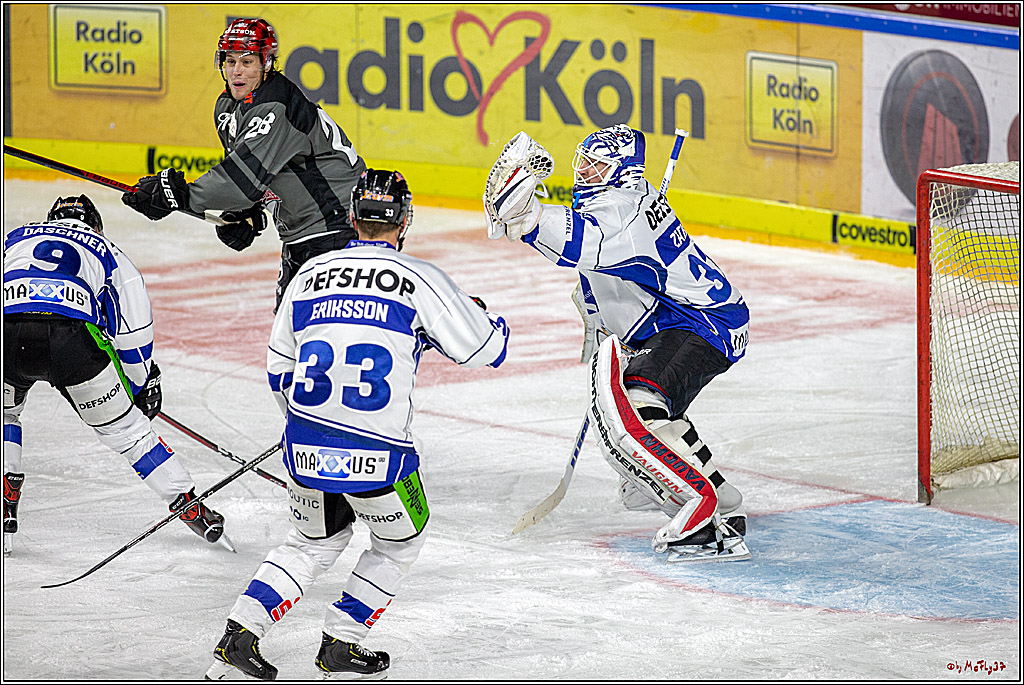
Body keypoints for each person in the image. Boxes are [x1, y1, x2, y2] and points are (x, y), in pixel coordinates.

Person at [206, 170, 510, 680]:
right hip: (378, 454)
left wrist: (307, 427)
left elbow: (279, 369)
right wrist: (481, 316)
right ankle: (341, 643)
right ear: (405, 220)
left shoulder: (309, 275)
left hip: (302, 443)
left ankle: (239, 635)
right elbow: (485, 350)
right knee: (401, 542)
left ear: (352, 217)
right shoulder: (418, 278)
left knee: (310, 544)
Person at [483, 124, 751, 562]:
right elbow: (602, 274)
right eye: (582, 163)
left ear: (623, 171)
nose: (585, 173)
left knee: (637, 405)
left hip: (704, 321)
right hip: (681, 317)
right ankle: (718, 494)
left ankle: (700, 514)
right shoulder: (620, 203)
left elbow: (579, 241)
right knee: (644, 403)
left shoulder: (622, 210)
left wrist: (527, 216)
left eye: (597, 165)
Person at [3, 195, 231, 555]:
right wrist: (139, 386)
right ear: (95, 226)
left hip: (7, 330)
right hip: (71, 340)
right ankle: (189, 505)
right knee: (126, 430)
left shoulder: (15, 238)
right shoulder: (107, 249)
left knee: (5, 413)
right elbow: (133, 329)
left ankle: (4, 493)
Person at [122, 17, 367, 310]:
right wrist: (247, 213)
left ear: (266, 64)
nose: (237, 71)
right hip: (303, 236)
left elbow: (242, 181)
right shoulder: (228, 107)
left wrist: (181, 196)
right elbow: (259, 177)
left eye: (248, 62)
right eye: (230, 61)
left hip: (338, 233)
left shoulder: (275, 104)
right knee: (291, 336)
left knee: (321, 333)